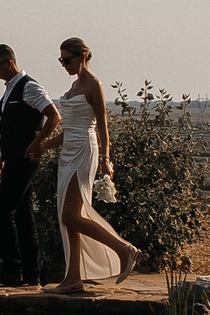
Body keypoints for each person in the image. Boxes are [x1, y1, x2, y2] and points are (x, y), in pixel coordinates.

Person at [46, 36, 141, 292]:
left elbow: (102, 124)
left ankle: (124, 249)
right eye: (61, 60)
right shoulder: (75, 85)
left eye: (67, 59)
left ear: (82, 57)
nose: (63, 64)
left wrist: (106, 160)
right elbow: (68, 129)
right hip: (68, 151)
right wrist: (42, 146)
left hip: (85, 150)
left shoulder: (93, 84)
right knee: (68, 217)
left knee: (70, 215)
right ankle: (73, 278)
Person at [0, 43, 62, 286]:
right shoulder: (10, 89)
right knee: (22, 215)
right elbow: (10, 128)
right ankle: (31, 274)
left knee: (2, 211)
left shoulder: (29, 87)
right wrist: (3, 158)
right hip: (12, 158)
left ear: (9, 62)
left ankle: (13, 270)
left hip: (25, 159)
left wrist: (38, 144)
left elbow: (54, 115)